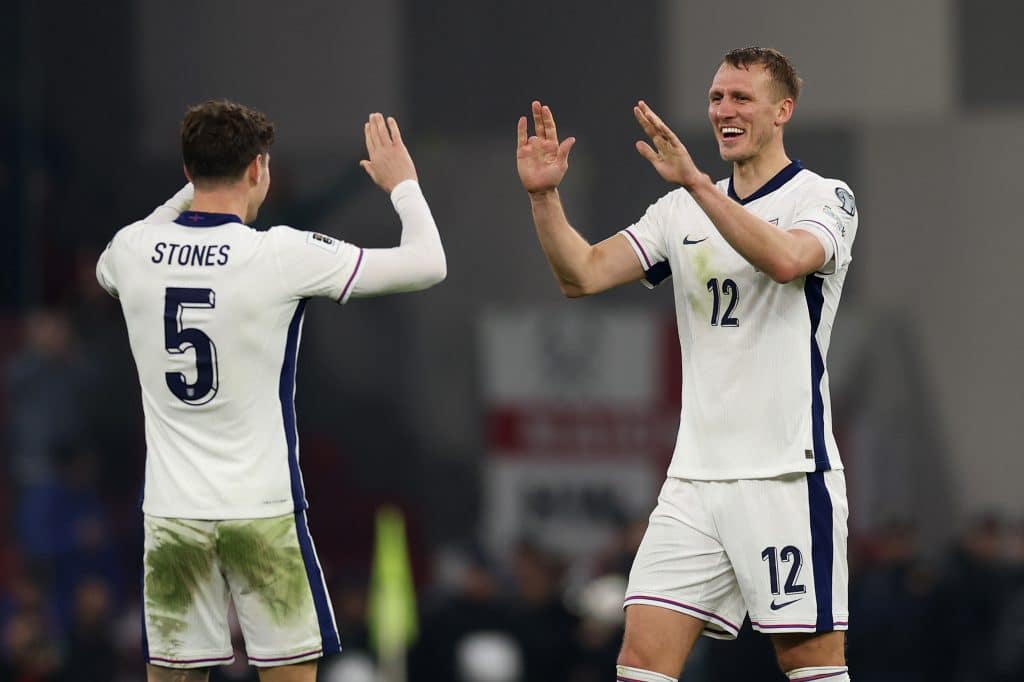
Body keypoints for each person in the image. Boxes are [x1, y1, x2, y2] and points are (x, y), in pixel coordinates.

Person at [515, 47, 857, 682]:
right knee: (641, 659)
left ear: (783, 110)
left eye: (741, 98)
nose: (724, 111)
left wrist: (698, 184)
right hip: (694, 481)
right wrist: (545, 199)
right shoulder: (677, 212)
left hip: (785, 475)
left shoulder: (826, 197)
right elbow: (582, 274)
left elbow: (787, 261)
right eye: (716, 98)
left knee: (811, 666)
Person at [96, 100, 446, 682]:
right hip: (260, 514)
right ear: (259, 169)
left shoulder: (132, 250)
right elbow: (427, 263)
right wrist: (403, 184)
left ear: (186, 172)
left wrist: (191, 190)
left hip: (173, 514)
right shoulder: (280, 253)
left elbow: (128, 249)